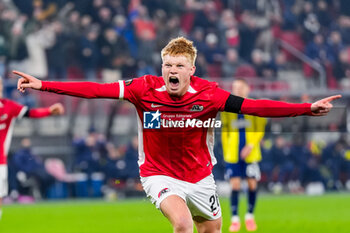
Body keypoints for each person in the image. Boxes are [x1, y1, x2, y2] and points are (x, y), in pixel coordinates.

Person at [14, 37, 340, 233]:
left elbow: (255, 106)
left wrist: (305, 108)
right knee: (182, 224)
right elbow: (96, 90)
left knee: (211, 228)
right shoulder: (142, 89)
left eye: (179, 66)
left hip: (200, 176)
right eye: (167, 65)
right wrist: (44, 85)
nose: (172, 71)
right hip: (157, 173)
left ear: (191, 70)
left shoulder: (209, 95)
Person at [0, 78, 64, 219]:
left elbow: (31, 113)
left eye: (0, 84)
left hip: (0, 163)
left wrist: (49, 111)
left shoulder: (8, 106)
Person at [221, 79, 267, 232]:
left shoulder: (254, 106)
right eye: (234, 88)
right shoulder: (228, 109)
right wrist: (227, 150)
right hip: (233, 154)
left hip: (251, 154)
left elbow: (260, 129)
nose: (237, 90)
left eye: (240, 87)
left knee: (252, 184)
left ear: (247, 89)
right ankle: (235, 219)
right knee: (235, 185)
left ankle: (249, 216)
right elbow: (225, 131)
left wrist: (251, 145)